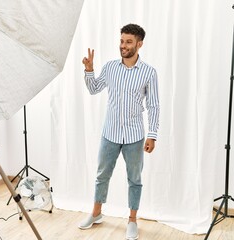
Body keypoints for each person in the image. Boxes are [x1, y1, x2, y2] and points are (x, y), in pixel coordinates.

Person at [78, 24, 160, 240]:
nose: (123, 45)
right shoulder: (110, 67)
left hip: (135, 135)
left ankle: (132, 220)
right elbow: (94, 88)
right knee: (102, 175)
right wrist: (89, 70)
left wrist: (153, 134)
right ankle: (96, 213)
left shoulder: (149, 73)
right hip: (110, 133)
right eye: (122, 41)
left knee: (134, 178)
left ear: (139, 44)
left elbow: (153, 106)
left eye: (128, 42)